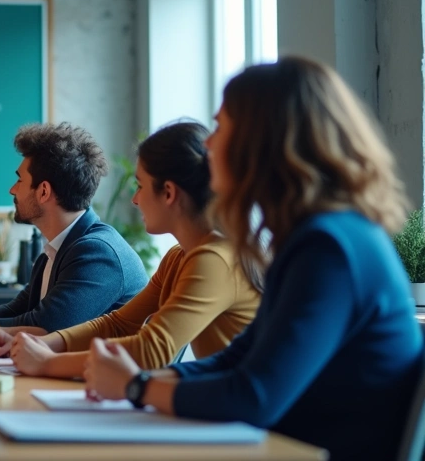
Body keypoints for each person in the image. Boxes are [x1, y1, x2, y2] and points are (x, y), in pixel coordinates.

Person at [84, 58, 424, 461]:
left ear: (263, 142)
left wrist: (136, 388)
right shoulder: (313, 236)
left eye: (221, 128)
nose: (208, 145)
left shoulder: (329, 247)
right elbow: (239, 357)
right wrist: (140, 380)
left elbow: (253, 396)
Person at [0, 121, 261, 377]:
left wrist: (46, 361)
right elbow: (116, 324)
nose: (135, 199)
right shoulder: (179, 256)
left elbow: (151, 350)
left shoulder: (214, 258)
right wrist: (38, 345)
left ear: (168, 192)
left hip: (253, 425)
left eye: (140, 185)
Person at [0, 122, 147, 334]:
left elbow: (48, 327)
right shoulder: (56, 249)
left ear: (43, 191)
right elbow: (23, 307)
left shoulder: (97, 253)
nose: (12, 190)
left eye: (20, 180)